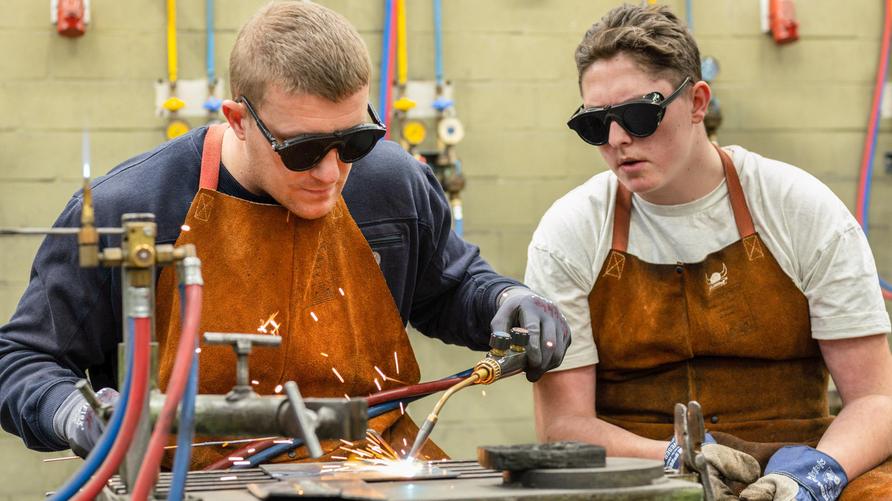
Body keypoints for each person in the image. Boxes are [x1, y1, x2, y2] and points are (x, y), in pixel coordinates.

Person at [0, 1, 570, 467]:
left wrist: (506, 300)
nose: (330, 172)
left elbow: (448, 287)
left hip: (372, 468)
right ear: (239, 120)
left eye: (354, 142)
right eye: (301, 150)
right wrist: (74, 414)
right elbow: (21, 359)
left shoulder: (392, 184)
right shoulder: (131, 208)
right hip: (191, 479)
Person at [526, 4, 892, 500]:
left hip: (798, 465)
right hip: (640, 473)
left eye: (639, 114)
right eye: (595, 124)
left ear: (698, 102)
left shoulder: (799, 210)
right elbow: (564, 425)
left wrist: (818, 474)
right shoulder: (570, 232)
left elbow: (876, 399)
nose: (617, 139)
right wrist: (677, 459)